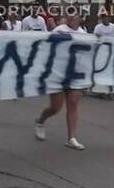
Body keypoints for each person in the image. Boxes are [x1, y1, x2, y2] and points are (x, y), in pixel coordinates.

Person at [34, 12, 87, 150]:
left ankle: (71, 138)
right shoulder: (59, 30)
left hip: (75, 73)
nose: (72, 17)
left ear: (80, 18)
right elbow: (48, 48)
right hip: (58, 73)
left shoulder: (83, 33)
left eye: (75, 14)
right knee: (55, 107)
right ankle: (40, 121)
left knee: (73, 103)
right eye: (70, 14)